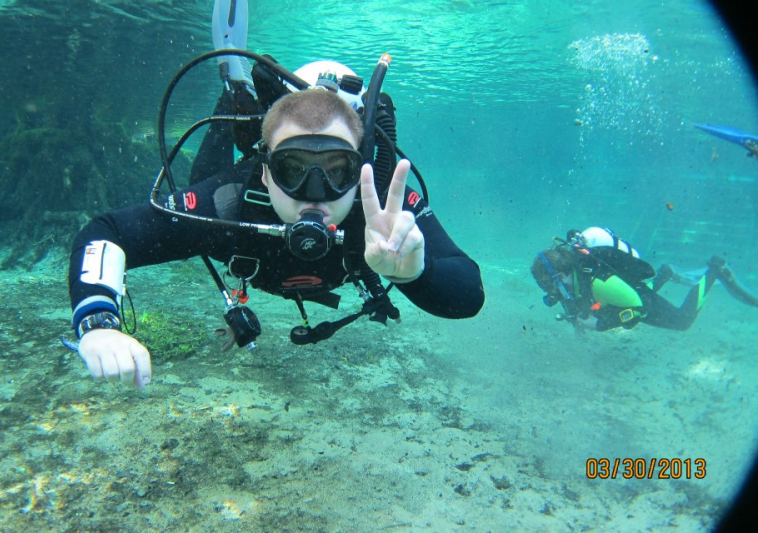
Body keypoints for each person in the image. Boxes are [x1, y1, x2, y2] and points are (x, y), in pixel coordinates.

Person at [66, 2, 485, 389]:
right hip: (236, 198)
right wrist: (97, 320)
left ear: (360, 169)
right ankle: (235, 91)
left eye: (337, 171)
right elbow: (107, 231)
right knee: (205, 174)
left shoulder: (384, 208)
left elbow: (467, 295)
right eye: (292, 169)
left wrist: (414, 271)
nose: (314, 196)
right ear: (264, 172)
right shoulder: (229, 199)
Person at [531, 226, 757, 332]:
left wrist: (600, 324)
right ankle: (664, 274)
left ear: (559, 275)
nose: (549, 292)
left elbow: (637, 306)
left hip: (635, 298)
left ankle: (714, 272)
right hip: (626, 292)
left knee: (682, 321)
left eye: (546, 285)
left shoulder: (598, 282)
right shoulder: (572, 282)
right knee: (633, 300)